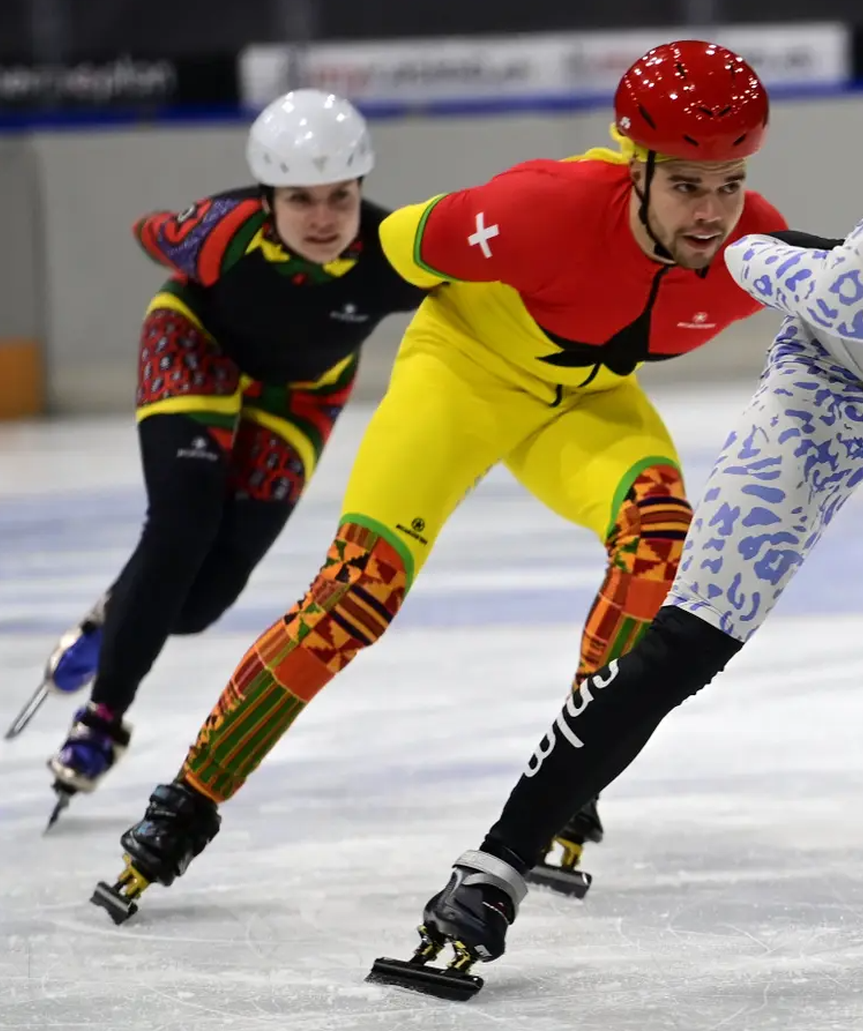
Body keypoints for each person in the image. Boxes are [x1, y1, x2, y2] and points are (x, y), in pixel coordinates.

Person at [363, 92, 863, 997]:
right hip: (833, 388)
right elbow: (751, 253)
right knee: (693, 636)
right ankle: (493, 868)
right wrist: (697, 240)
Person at [88, 40, 790, 924]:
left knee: (658, 534)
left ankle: (575, 773)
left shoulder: (755, 241)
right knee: (353, 599)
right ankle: (184, 804)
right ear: (635, 164)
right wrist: (275, 331)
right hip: (460, 375)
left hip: (583, 402)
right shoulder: (538, 207)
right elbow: (386, 249)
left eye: (730, 182)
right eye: (688, 184)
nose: (712, 213)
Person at [8, 88, 429, 831]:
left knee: (199, 604)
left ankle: (112, 617)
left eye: (341, 196)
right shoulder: (215, 232)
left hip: (303, 392)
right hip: (195, 344)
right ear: (268, 197)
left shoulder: (393, 251)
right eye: (301, 199)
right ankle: (103, 718)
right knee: (183, 518)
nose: (325, 219)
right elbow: (150, 233)